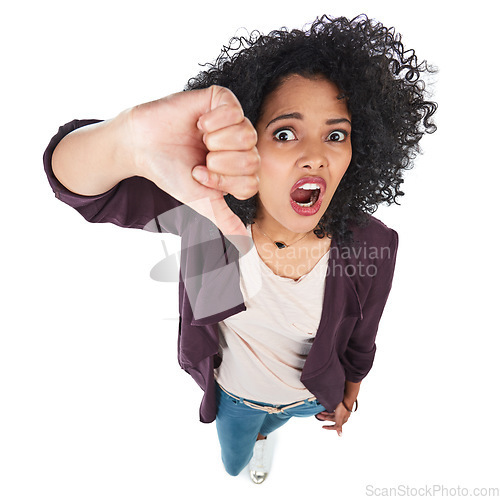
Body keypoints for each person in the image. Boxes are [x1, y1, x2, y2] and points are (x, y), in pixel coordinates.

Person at [43, 14, 437, 483]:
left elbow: (362, 335)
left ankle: (270, 432)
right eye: (285, 133)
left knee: (280, 420)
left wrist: (350, 392)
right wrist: (127, 139)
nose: (316, 154)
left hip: (311, 396)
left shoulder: (373, 244)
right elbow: (82, 190)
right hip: (236, 397)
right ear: (247, 142)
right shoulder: (206, 213)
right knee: (234, 462)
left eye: (337, 134)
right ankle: (254, 448)